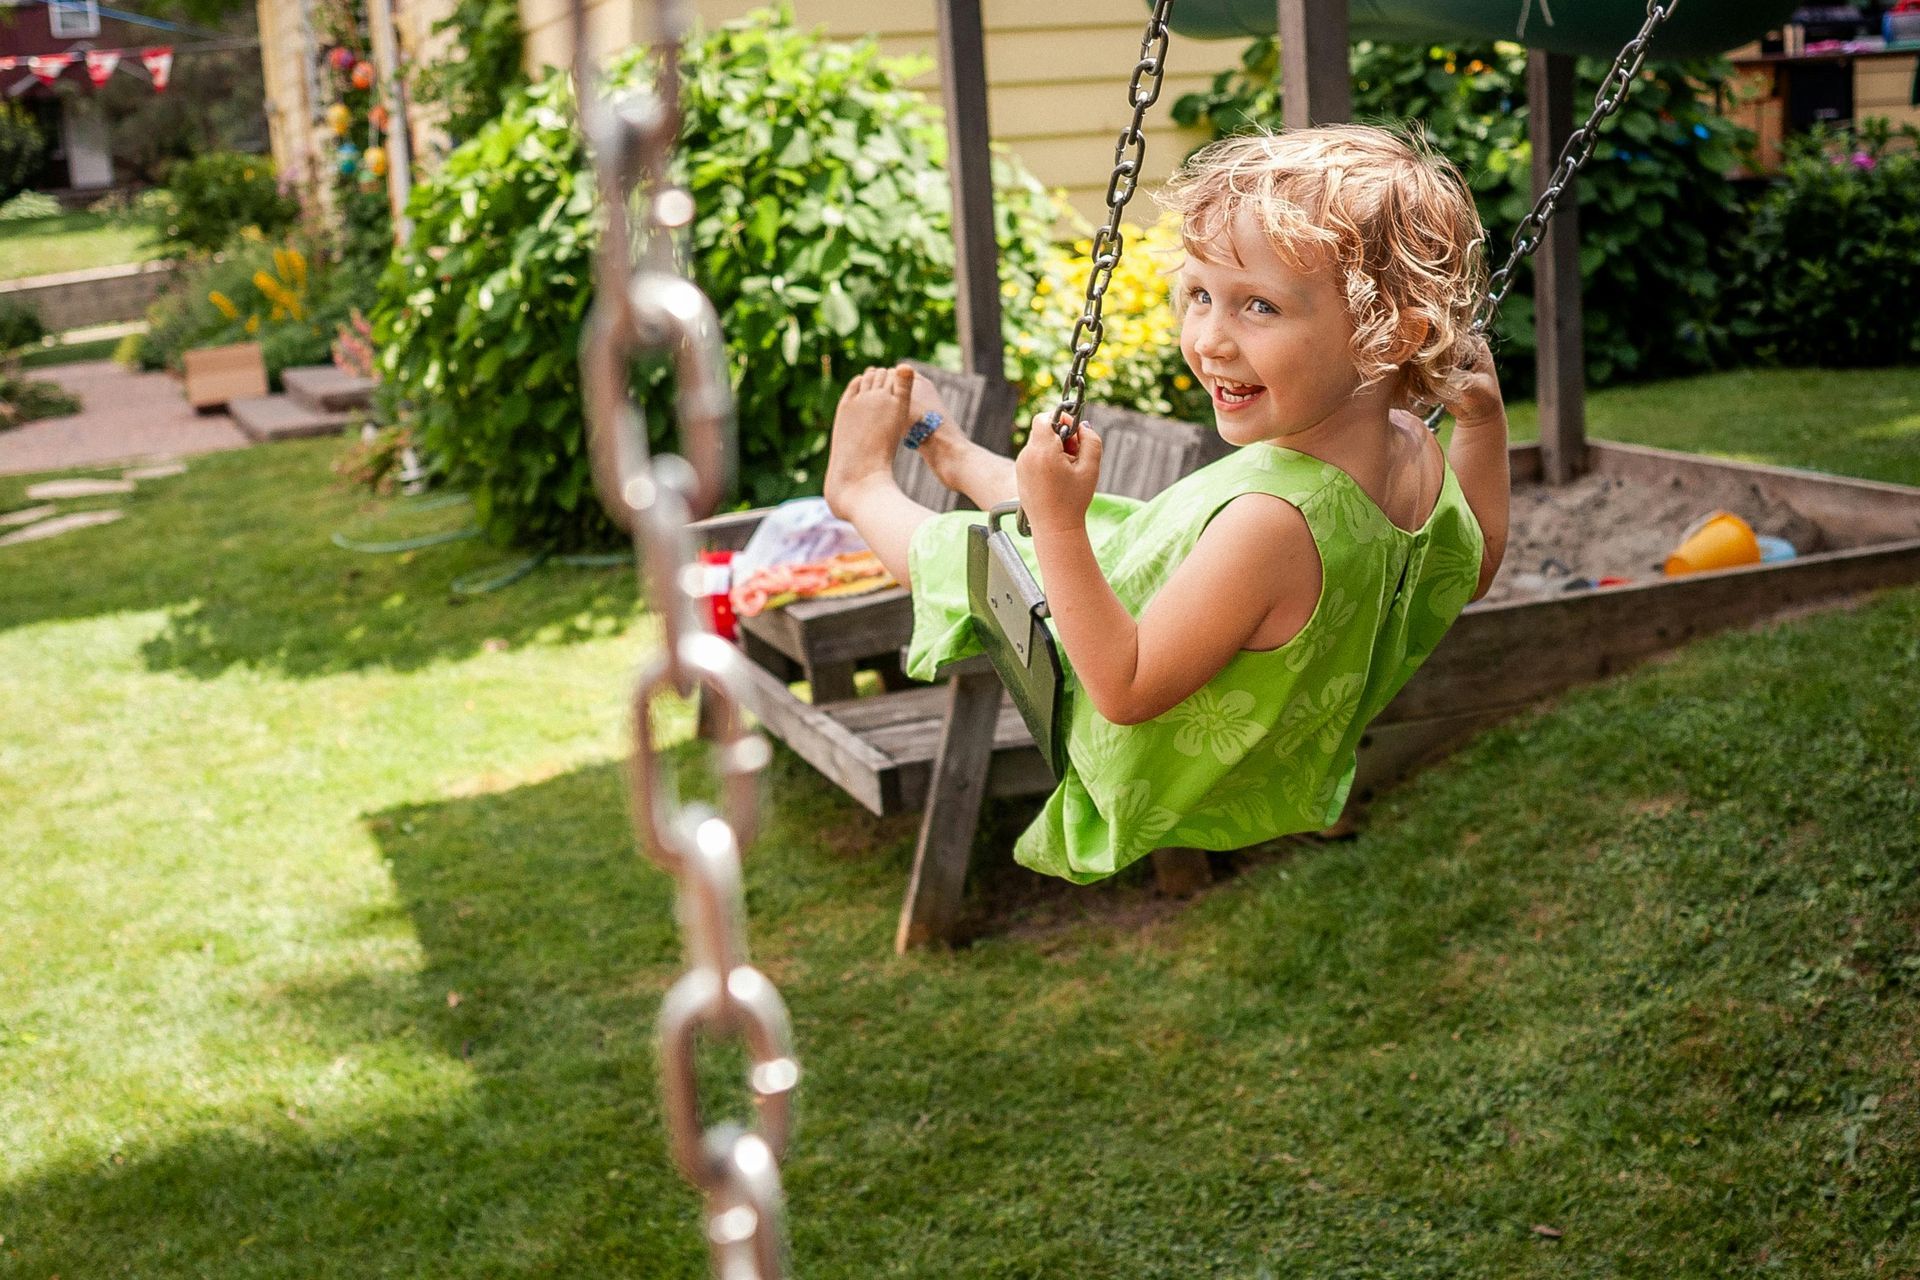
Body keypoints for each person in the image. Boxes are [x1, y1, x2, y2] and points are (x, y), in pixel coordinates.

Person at [822, 125, 1510, 883]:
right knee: (1117, 525)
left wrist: (1055, 523)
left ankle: (860, 488)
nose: (1208, 338)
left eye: (1258, 307)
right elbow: (1467, 564)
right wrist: (1481, 423)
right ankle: (959, 458)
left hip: (1130, 706)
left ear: (1390, 335)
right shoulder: (1410, 446)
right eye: (1200, 295)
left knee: (975, 557)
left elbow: (1123, 687)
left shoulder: (1272, 524)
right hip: (1170, 591)